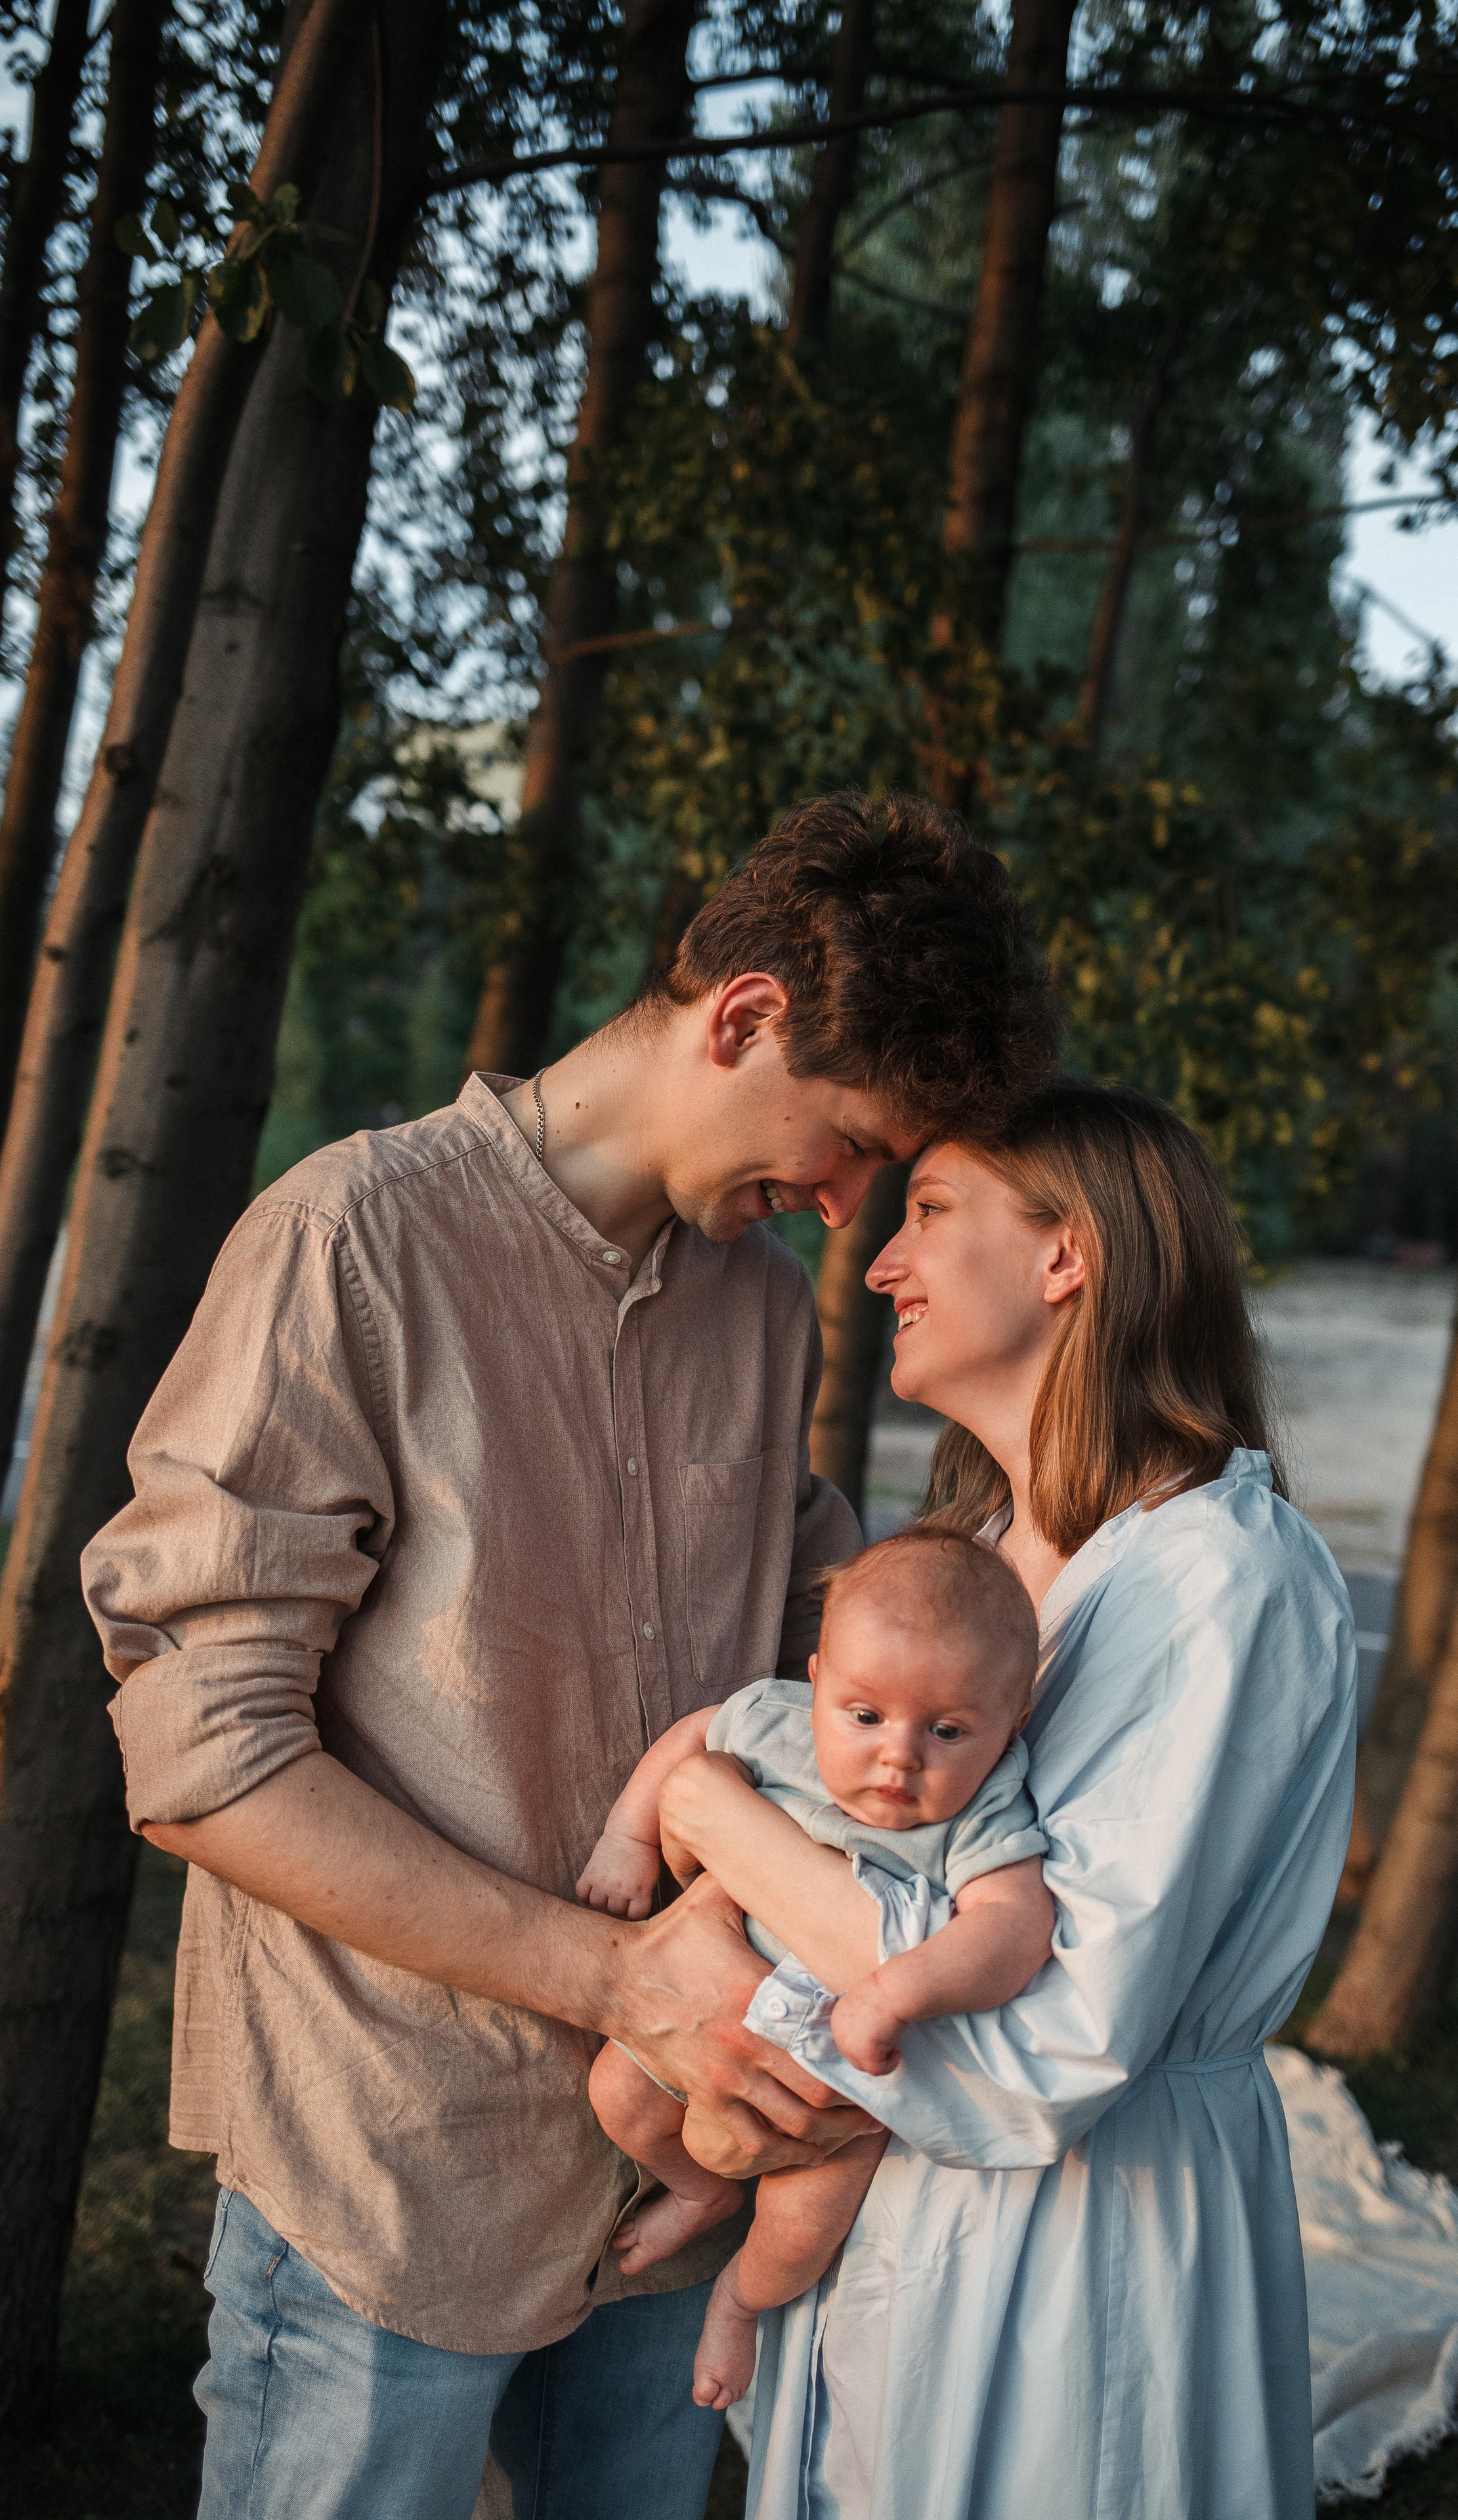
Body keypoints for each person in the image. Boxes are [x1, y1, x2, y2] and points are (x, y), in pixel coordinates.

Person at [79, 790, 1060, 2520]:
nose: (849, 1212)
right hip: (390, 2172)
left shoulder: (757, 1310)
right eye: (848, 1146)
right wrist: (616, 1980)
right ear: (744, 1017)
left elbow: (807, 1661)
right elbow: (201, 1761)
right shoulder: (351, 1244)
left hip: (675, 2166)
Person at [662, 1080, 1359, 2520]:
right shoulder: (974, 1562)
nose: (878, 1264)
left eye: (926, 1213)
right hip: (902, 2209)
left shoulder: (1214, 1578)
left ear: (1066, 1256)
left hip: (1088, 2241)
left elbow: (1049, 2041)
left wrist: (716, 1817)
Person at [576, 1528, 1054, 2408]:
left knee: (803, 2226)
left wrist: (900, 1988)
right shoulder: (775, 1720)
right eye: (863, 1716)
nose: (899, 1756)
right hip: (706, 1997)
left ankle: (739, 2302)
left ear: (1012, 1721)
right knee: (618, 2097)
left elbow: (1015, 1926)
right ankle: (698, 2192)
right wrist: (628, 1837)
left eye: (947, 1729)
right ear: (817, 1679)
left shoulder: (988, 1802)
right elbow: (691, 1738)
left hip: (840, 2078)